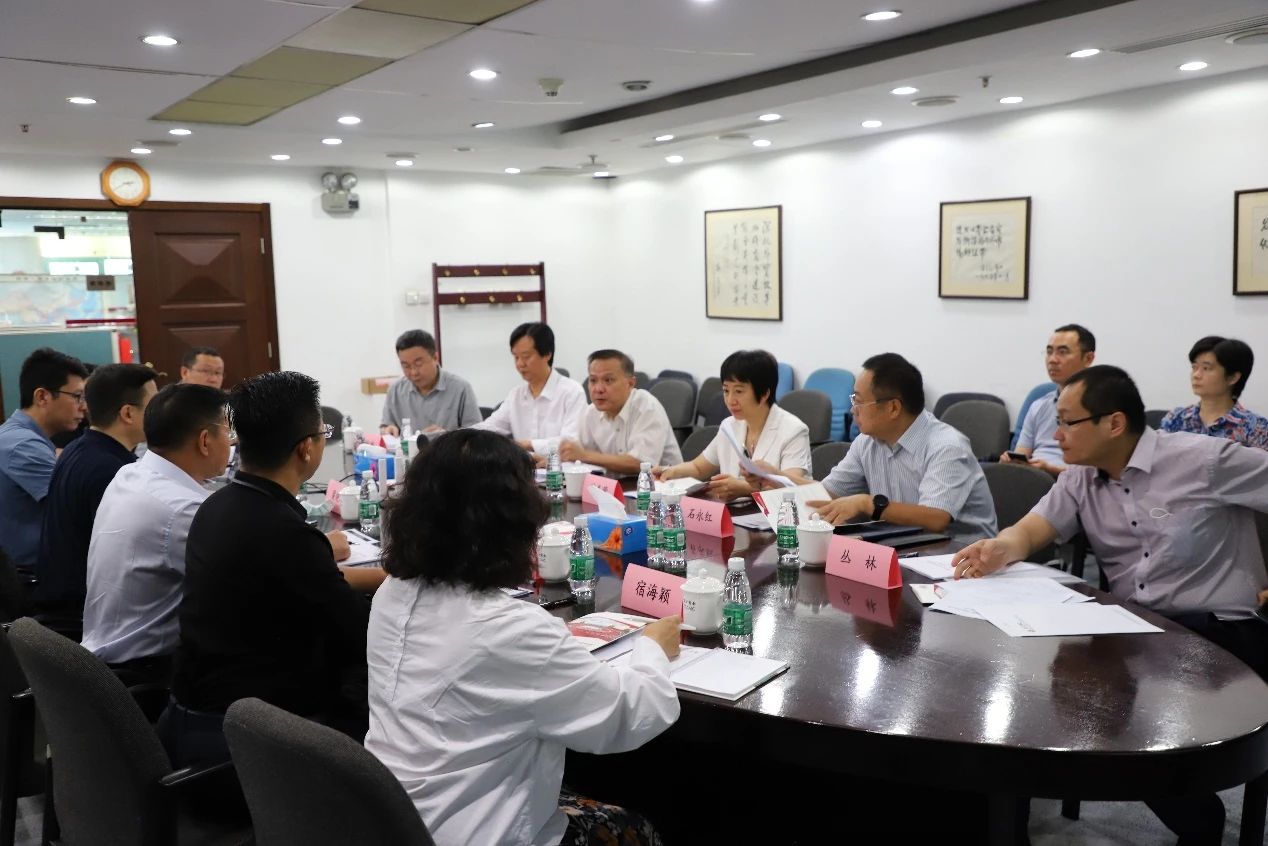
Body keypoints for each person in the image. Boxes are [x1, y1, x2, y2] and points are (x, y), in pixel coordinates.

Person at [952, 365, 1268, 845]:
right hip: (1138, 629)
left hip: (1221, 634)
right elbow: (1036, 527)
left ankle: (1195, 815)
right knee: (1031, 686)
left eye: (1067, 422)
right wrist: (1002, 547)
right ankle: (1005, 821)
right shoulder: (1080, 477)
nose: (1056, 435)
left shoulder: (1204, 460)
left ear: (1114, 423)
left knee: (1111, 709)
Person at [365, 429, 681, 846]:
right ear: (512, 524)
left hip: (394, 820)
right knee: (637, 827)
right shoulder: (508, 628)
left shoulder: (392, 594)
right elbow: (625, 715)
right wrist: (653, 647)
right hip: (477, 831)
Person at [161, 371, 382, 768]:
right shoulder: (283, 533)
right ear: (306, 449)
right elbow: (361, 633)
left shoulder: (216, 506)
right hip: (246, 741)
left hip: (194, 714)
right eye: (323, 432)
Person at [81, 384, 231, 684]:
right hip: (149, 674)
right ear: (205, 441)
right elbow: (250, 579)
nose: (232, 441)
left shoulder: (129, 474)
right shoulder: (184, 510)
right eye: (228, 432)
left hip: (103, 662)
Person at [806, 353, 997, 542]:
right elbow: (828, 494)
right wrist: (791, 486)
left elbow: (936, 519)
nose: (852, 409)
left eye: (859, 401)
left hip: (961, 553)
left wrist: (868, 504)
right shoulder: (867, 441)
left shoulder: (947, 446)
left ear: (893, 408)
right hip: (902, 546)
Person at [33, 363, 159, 626]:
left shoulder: (77, 449)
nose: (160, 414)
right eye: (154, 406)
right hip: (85, 615)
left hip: (61, 601)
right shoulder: (115, 472)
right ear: (128, 413)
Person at [657, 349, 810, 500]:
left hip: (778, 514)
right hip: (735, 512)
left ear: (764, 393)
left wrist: (743, 488)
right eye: (726, 391)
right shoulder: (729, 426)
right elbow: (698, 468)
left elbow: (791, 486)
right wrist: (670, 471)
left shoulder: (793, 430)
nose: (730, 400)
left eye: (738, 391)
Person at [0, 348, 89, 572]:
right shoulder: (22, 445)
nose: (83, 406)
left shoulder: (23, 437)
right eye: (77, 396)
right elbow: (78, 505)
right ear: (42, 397)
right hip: (28, 579)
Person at [475, 322, 586, 462]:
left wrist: (527, 444)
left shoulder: (572, 392)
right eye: (516, 357)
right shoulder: (516, 395)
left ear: (547, 354)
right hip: (525, 471)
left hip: (561, 472)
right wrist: (455, 435)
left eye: (526, 357)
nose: (520, 364)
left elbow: (570, 443)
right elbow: (490, 427)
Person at [559, 349, 682, 473]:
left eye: (608, 380)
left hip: (665, 483)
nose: (598, 389)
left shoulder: (647, 407)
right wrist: (564, 456)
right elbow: (576, 453)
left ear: (630, 383)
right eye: (593, 380)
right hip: (615, 484)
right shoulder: (590, 413)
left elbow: (641, 464)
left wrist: (584, 456)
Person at [1001, 323, 1096, 476]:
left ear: (1088, 358)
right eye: (1049, 352)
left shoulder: (1102, 408)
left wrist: (1051, 470)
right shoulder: (1038, 405)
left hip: (1077, 484)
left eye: (1063, 352)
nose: (1052, 359)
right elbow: (1021, 454)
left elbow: (1101, 472)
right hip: (1032, 478)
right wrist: (1011, 462)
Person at [1160, 336, 1268, 449]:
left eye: (1206, 368)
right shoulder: (1176, 418)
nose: (1196, 375)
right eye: (1194, 367)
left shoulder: (1255, 428)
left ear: (1232, 377)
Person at [379, 329, 481, 437]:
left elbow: (476, 436)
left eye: (418, 364)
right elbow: (385, 426)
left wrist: (446, 437)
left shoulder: (460, 389)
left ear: (435, 358)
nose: (413, 372)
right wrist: (387, 430)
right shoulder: (395, 390)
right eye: (406, 366)